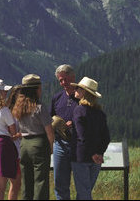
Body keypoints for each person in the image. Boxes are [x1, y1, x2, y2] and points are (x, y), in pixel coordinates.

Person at [12, 74, 55, 200]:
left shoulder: (19, 107)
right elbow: (49, 131)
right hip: (39, 143)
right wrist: (51, 146)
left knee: (27, 180)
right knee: (40, 180)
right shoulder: (40, 107)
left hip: (24, 144)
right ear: (36, 89)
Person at [70, 76, 110, 200]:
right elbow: (106, 137)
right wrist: (99, 153)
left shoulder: (79, 111)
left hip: (81, 156)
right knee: (85, 192)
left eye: (79, 88)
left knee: (84, 193)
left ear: (84, 92)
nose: (75, 89)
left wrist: (93, 153)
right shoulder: (100, 113)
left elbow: (82, 136)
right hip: (96, 159)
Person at [50, 64, 79, 200]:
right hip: (60, 145)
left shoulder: (82, 96)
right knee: (60, 185)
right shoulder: (56, 98)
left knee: (82, 185)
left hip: (78, 145)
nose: (63, 83)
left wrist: (74, 123)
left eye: (65, 79)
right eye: (60, 80)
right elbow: (50, 118)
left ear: (73, 77)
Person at [5, 86, 22, 200]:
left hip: (19, 150)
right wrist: (20, 134)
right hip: (14, 151)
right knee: (15, 184)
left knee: (17, 184)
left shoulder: (11, 110)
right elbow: (10, 135)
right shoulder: (9, 112)